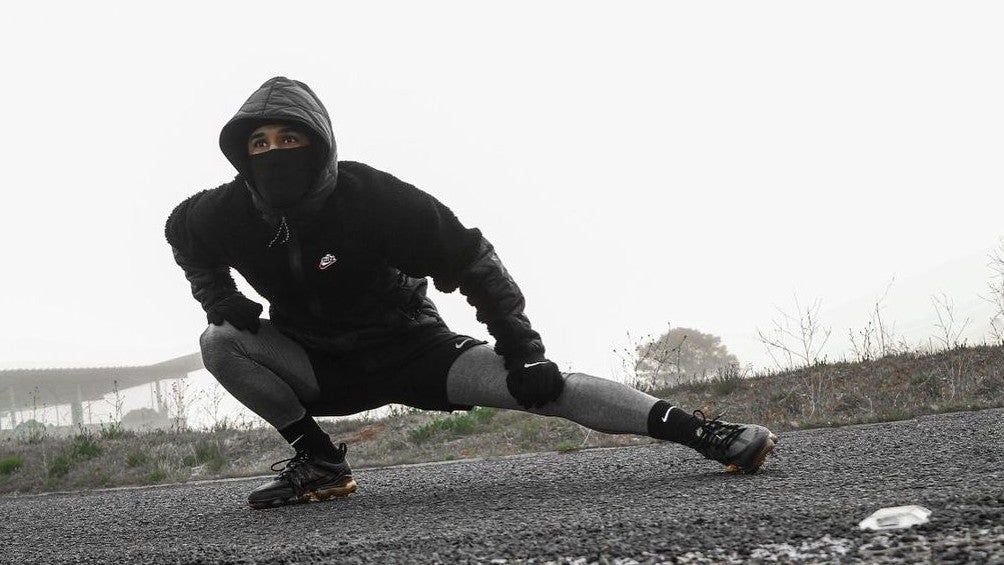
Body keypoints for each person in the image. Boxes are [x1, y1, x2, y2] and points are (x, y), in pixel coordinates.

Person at [165, 76, 778, 509]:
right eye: (259, 143)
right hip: (317, 362)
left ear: (319, 143)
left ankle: (709, 435)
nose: (274, 152)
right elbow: (182, 236)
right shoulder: (221, 213)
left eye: (288, 139)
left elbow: (472, 260)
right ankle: (320, 462)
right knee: (219, 342)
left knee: (544, 387)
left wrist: (522, 346)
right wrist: (217, 296)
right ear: (242, 156)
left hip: (412, 350)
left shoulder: (373, 198)